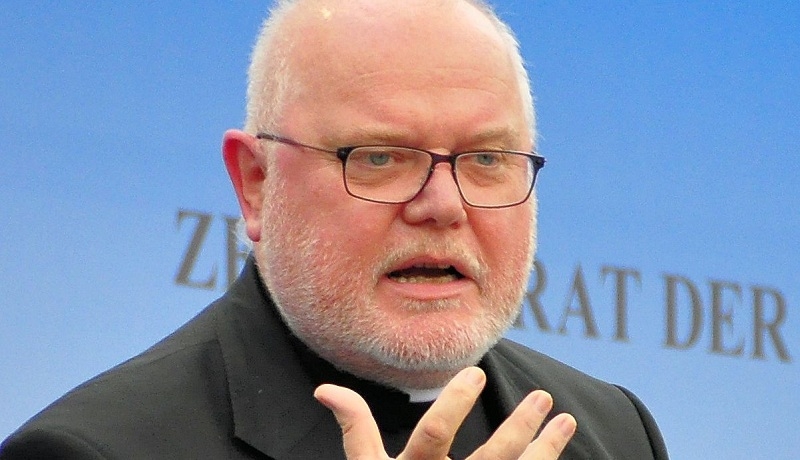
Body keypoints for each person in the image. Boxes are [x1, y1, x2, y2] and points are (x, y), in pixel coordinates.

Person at [1, 0, 669, 459]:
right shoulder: (91, 450)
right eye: (378, 157)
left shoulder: (614, 433)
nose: (442, 205)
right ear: (256, 183)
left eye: (486, 160)